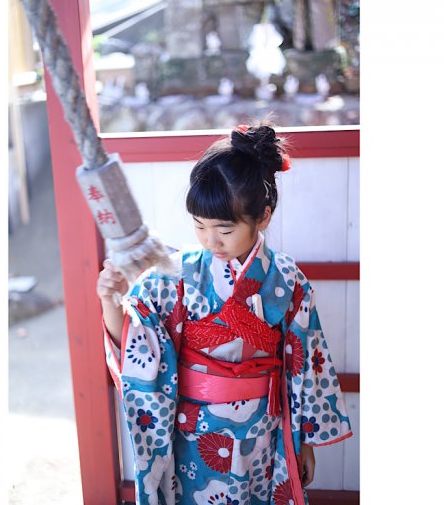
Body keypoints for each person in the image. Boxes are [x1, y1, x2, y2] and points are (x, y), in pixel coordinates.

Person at [97, 121, 352, 505]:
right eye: (199, 226)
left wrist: (304, 444)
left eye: (224, 229)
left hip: (263, 436)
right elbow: (137, 344)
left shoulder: (288, 280)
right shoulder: (173, 275)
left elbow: (304, 368)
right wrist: (110, 301)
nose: (210, 240)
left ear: (262, 217)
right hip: (193, 437)